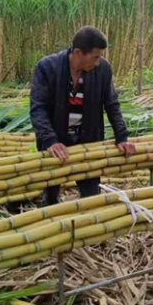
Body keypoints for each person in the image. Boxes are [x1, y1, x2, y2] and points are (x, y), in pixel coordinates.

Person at [30, 26, 135, 207]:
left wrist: (122, 136)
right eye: (95, 57)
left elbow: (112, 103)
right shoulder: (47, 68)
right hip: (57, 142)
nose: (97, 62)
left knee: (91, 195)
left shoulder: (102, 70)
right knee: (51, 191)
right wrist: (50, 140)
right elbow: (37, 108)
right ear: (78, 52)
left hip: (88, 140)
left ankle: (88, 229)